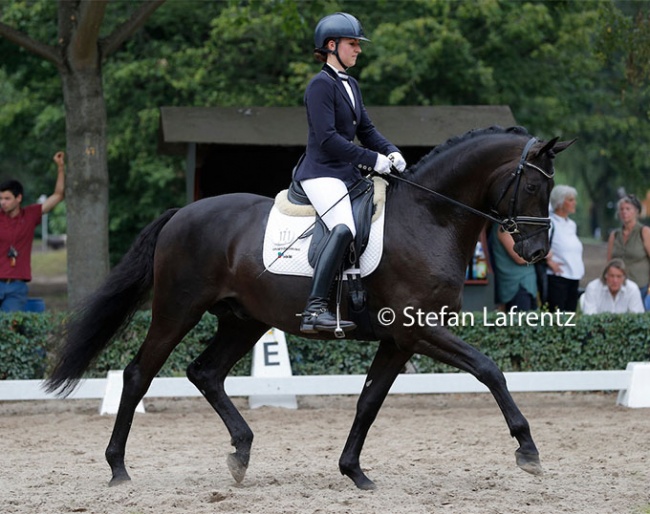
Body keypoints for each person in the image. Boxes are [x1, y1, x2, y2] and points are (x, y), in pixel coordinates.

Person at [295, 13, 406, 334]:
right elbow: (328, 140)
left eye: (358, 44)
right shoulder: (319, 86)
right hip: (320, 173)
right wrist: (373, 159)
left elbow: (367, 130)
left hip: (345, 173)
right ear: (332, 46)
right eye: (352, 44)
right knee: (343, 227)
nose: (358, 50)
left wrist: (391, 151)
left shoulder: (351, 85)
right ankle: (314, 310)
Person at [0, 151, 66, 311]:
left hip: (17, 287)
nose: (3, 203)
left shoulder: (30, 215)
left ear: (19, 198)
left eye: (7, 198)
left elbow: (58, 195)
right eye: (0, 198)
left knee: (9, 329)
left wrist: (60, 167)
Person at [544, 185, 584, 311]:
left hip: (574, 277)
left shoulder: (572, 224)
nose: (574, 203)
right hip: (557, 279)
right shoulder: (550, 223)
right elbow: (541, 245)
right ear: (560, 203)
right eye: (571, 200)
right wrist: (549, 262)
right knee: (557, 316)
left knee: (570, 315)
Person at [607, 194, 650, 309]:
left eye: (628, 209)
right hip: (618, 287)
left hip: (641, 286)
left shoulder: (644, 232)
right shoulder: (614, 235)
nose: (624, 212)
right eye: (621, 209)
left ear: (636, 211)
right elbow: (609, 263)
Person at [489, 223, 537, 311]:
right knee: (519, 323)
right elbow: (519, 258)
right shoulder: (504, 228)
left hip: (528, 284)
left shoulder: (519, 226)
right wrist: (541, 254)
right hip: (515, 286)